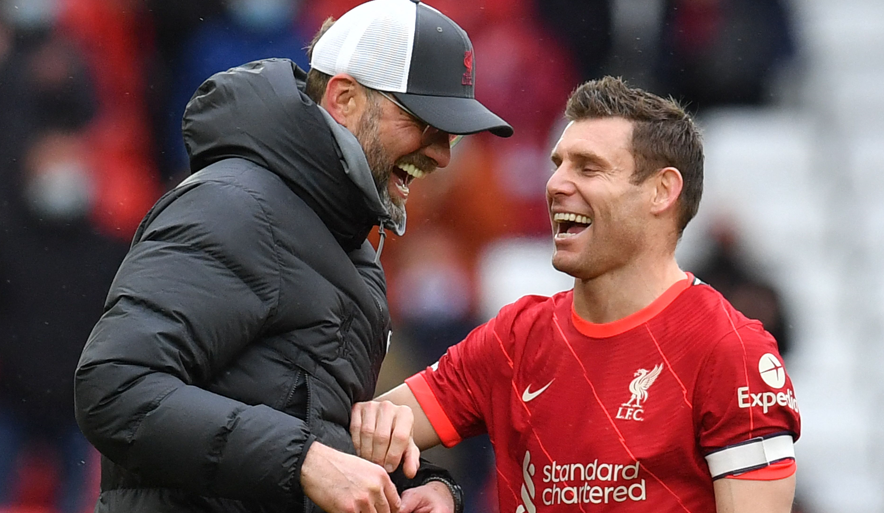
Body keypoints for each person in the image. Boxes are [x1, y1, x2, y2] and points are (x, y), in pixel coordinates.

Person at [73, 1, 512, 512]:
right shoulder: (234, 205)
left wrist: (421, 487)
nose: (441, 154)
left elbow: (306, 433)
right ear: (344, 99)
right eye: (424, 122)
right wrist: (306, 460)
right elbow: (114, 387)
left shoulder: (345, 243)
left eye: (451, 134)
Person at [350, 76, 801, 512]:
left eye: (588, 167)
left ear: (663, 191)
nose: (556, 185)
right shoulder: (515, 338)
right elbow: (366, 430)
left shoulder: (730, 351)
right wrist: (438, 484)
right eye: (558, 164)